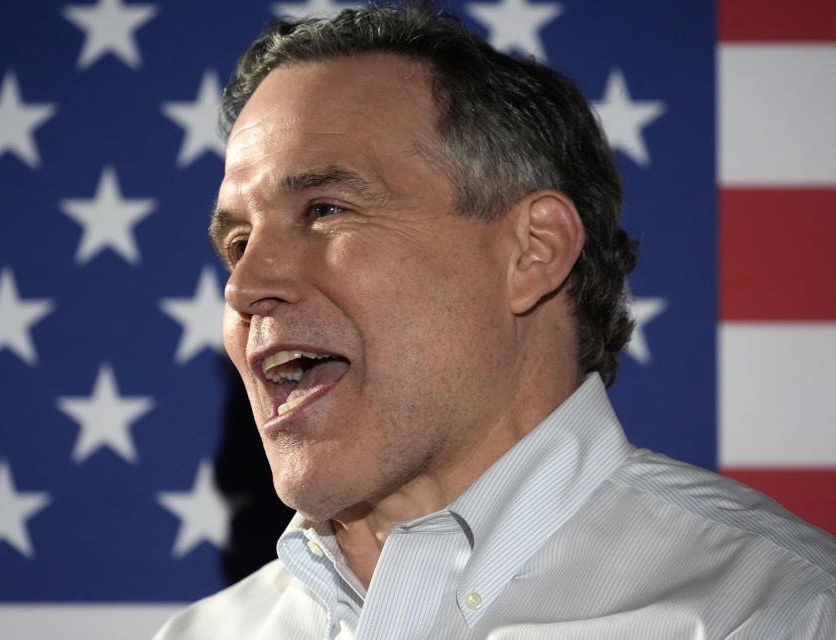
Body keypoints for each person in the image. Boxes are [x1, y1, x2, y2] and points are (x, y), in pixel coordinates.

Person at [154, 3, 836, 638]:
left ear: (532, 253)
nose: (246, 285)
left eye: (326, 209)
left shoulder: (776, 610)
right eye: (237, 243)